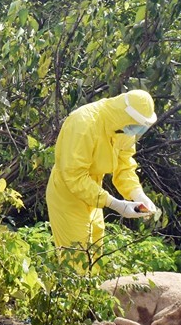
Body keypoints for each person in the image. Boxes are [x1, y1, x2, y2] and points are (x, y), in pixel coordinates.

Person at [46, 90, 161, 251]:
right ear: (126, 115)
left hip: (94, 194)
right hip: (67, 195)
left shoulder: (123, 128)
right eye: (138, 125)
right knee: (77, 257)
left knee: (95, 253)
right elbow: (74, 176)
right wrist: (115, 204)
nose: (138, 131)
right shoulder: (83, 123)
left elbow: (125, 166)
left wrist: (137, 194)